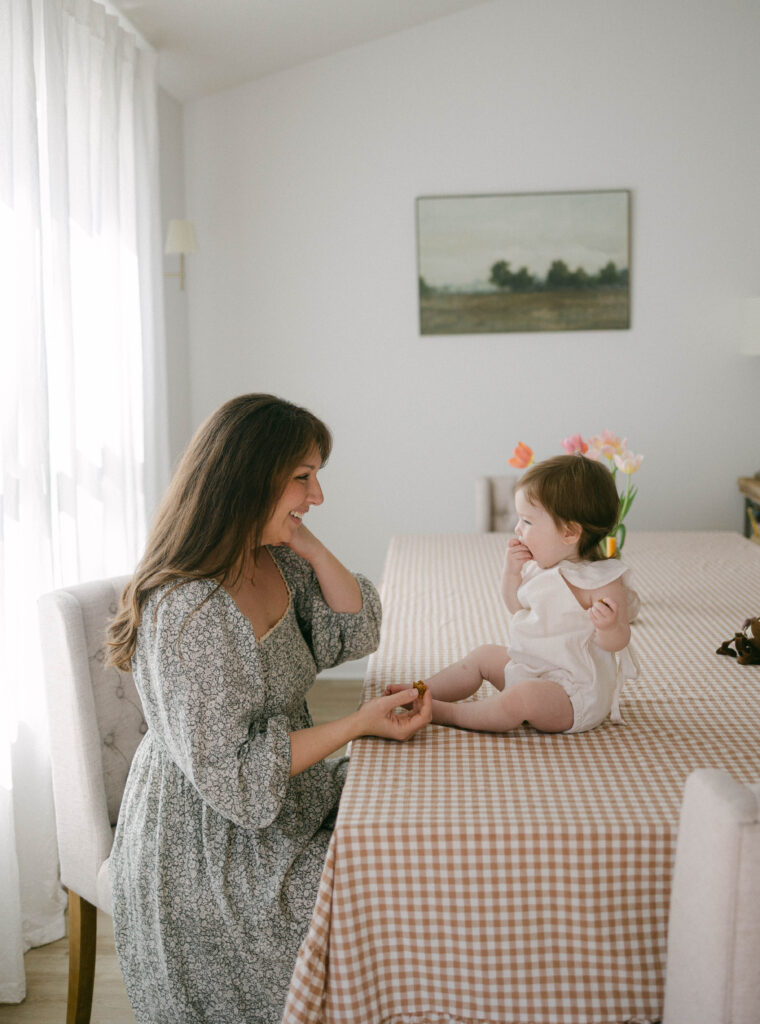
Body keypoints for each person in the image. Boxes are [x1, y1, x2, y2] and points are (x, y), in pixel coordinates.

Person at [106, 394, 431, 1024]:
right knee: (383, 889)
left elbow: (357, 627)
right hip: (209, 848)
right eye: (302, 479)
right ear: (249, 480)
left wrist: (305, 540)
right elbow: (234, 775)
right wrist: (358, 726)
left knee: (407, 832)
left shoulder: (270, 557)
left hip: (283, 792)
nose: (318, 495)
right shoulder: (192, 613)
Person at [390, 454, 639, 735]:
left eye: (527, 522)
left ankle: (447, 712)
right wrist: (512, 572)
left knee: (520, 700)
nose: (517, 529)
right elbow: (515, 605)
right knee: (483, 655)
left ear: (569, 532)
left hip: (572, 695)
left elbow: (617, 642)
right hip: (532, 667)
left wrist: (608, 625)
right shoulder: (540, 567)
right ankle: (419, 692)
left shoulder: (600, 582)